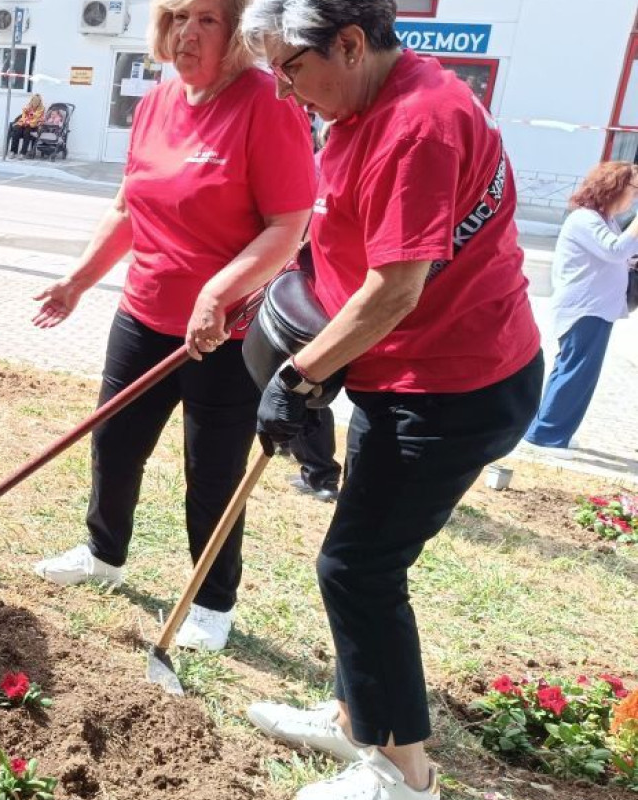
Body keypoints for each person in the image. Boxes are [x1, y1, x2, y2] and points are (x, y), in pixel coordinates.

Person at [240, 3, 544, 799]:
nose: (282, 91)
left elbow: (396, 288)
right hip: (402, 374)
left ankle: (404, 774)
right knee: (361, 553)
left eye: (291, 69)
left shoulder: (421, 123)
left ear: (349, 42)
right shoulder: (364, 103)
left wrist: (301, 376)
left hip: (454, 386)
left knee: (358, 567)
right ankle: (353, 718)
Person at [29, 0, 314, 653]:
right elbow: (129, 208)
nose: (188, 32)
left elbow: (288, 226)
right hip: (145, 311)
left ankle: (212, 602)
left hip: (227, 332)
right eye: (179, 15)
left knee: (212, 470)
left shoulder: (267, 104)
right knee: (115, 442)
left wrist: (218, 292)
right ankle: (104, 553)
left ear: (237, 30)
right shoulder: (157, 104)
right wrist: (77, 280)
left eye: (208, 18)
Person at [523, 162, 638, 449]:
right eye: (634, 190)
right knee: (575, 372)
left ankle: (549, 430)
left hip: (597, 308)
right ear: (615, 188)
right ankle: (546, 435)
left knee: (578, 373)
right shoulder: (585, 219)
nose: (634, 198)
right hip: (585, 308)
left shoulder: (604, 220)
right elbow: (615, 250)